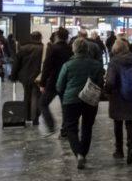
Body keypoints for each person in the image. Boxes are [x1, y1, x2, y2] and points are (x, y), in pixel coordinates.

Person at [57, 37, 106, 170]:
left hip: (71, 100)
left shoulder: (67, 65)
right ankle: (83, 153)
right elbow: (100, 83)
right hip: (90, 99)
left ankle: (79, 153)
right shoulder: (96, 65)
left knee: (71, 128)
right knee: (87, 127)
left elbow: (59, 86)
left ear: (74, 49)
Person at [105, 38, 132, 164]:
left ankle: (119, 151)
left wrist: (107, 91)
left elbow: (110, 82)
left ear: (116, 49)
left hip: (117, 97)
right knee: (130, 123)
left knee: (118, 124)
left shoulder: (114, 62)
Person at [39, 27, 72, 136]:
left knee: (43, 103)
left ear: (57, 36)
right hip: (66, 82)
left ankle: (51, 125)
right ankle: (65, 130)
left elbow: (47, 67)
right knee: (65, 107)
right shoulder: (70, 49)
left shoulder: (53, 48)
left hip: (53, 82)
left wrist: (42, 82)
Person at [12, 31, 44, 126]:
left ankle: (26, 117)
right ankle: (35, 119)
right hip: (37, 77)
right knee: (36, 97)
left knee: (27, 95)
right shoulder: (43, 49)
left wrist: (13, 76)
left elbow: (16, 63)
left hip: (25, 77)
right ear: (40, 38)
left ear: (31, 38)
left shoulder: (23, 48)